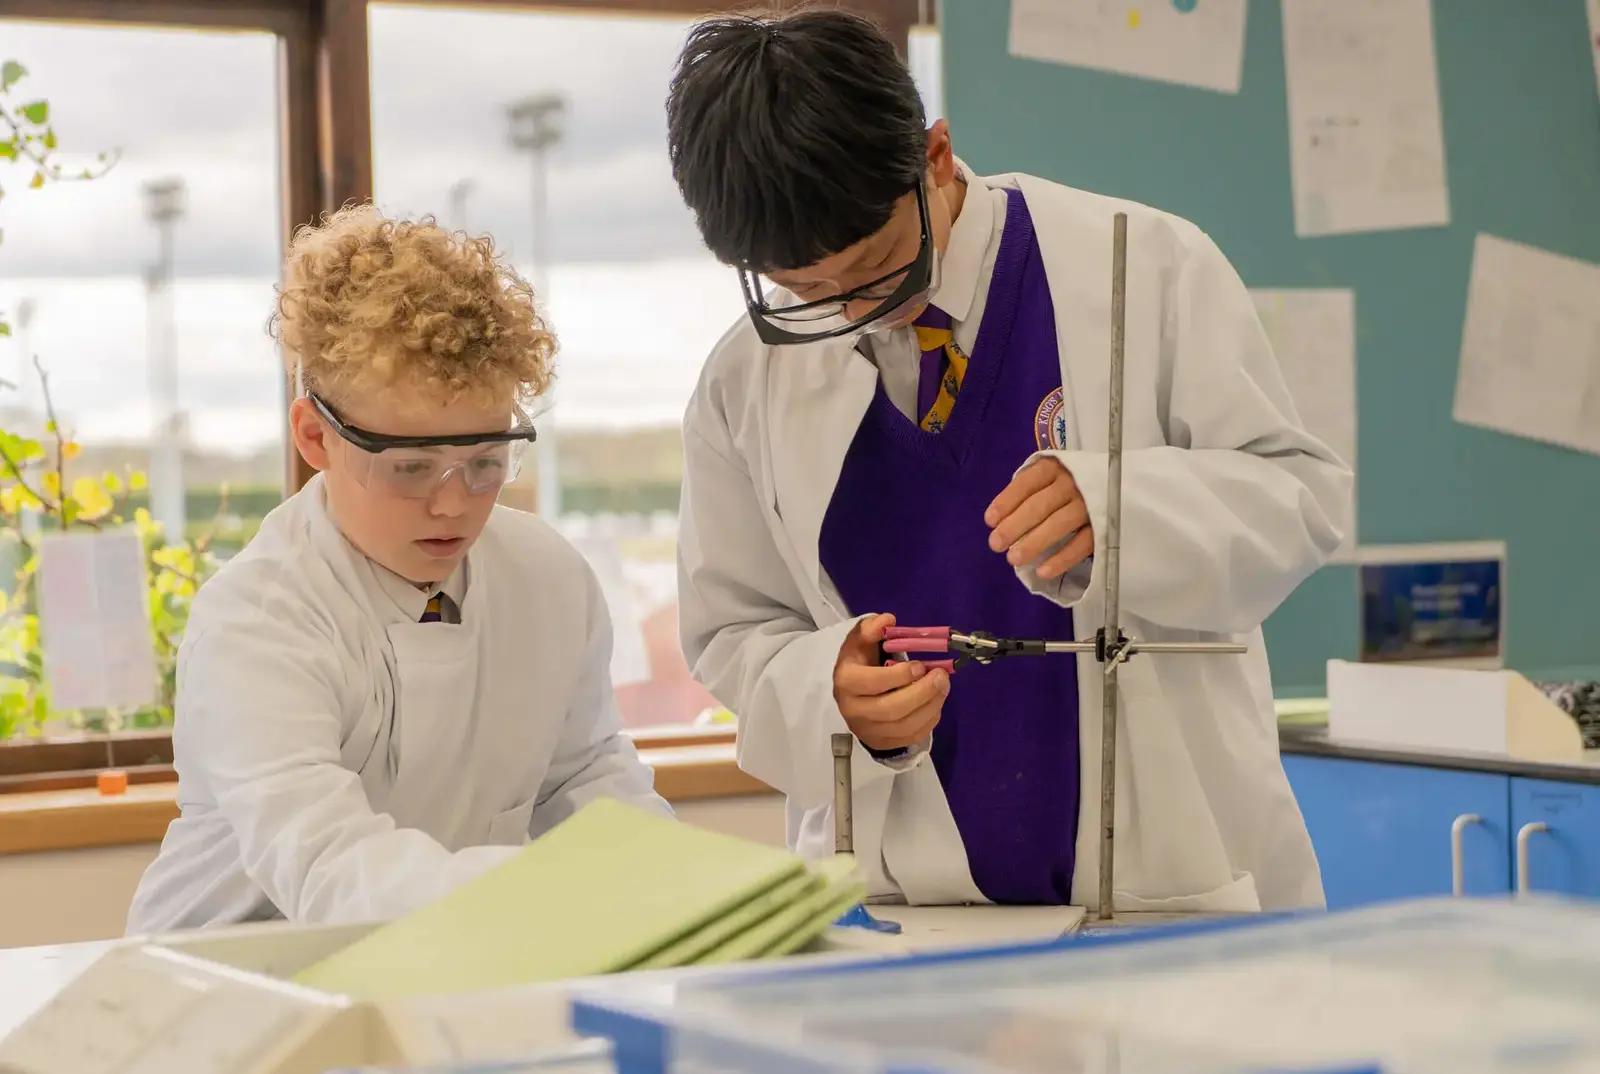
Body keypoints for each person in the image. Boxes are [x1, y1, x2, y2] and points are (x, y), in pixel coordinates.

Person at [666, 10, 1351, 914]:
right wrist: (828, 689)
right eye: (802, 291)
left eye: (874, 267)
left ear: (937, 158)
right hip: (910, 909)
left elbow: (1300, 497)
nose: (850, 313)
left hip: (1167, 884)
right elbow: (733, 631)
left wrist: (1121, 509)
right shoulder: (742, 381)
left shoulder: (1144, 267)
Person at [126, 205, 670, 934]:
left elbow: (586, 777)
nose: (453, 505)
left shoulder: (547, 578)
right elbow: (332, 868)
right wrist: (554, 895)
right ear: (316, 436)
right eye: (411, 467)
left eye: (485, 463)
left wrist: (677, 887)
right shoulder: (258, 622)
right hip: (234, 990)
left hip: (451, 965)